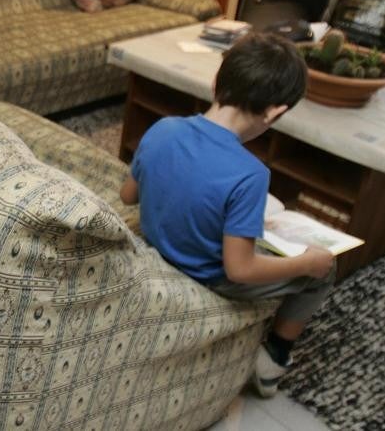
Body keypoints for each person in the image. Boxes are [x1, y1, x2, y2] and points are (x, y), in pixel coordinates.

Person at [119, 32, 335, 397]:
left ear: (217, 80)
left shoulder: (164, 128)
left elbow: (128, 195)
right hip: (208, 274)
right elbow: (240, 269)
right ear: (275, 112)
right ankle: (274, 359)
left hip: (159, 245)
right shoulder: (251, 174)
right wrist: (306, 263)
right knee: (324, 270)